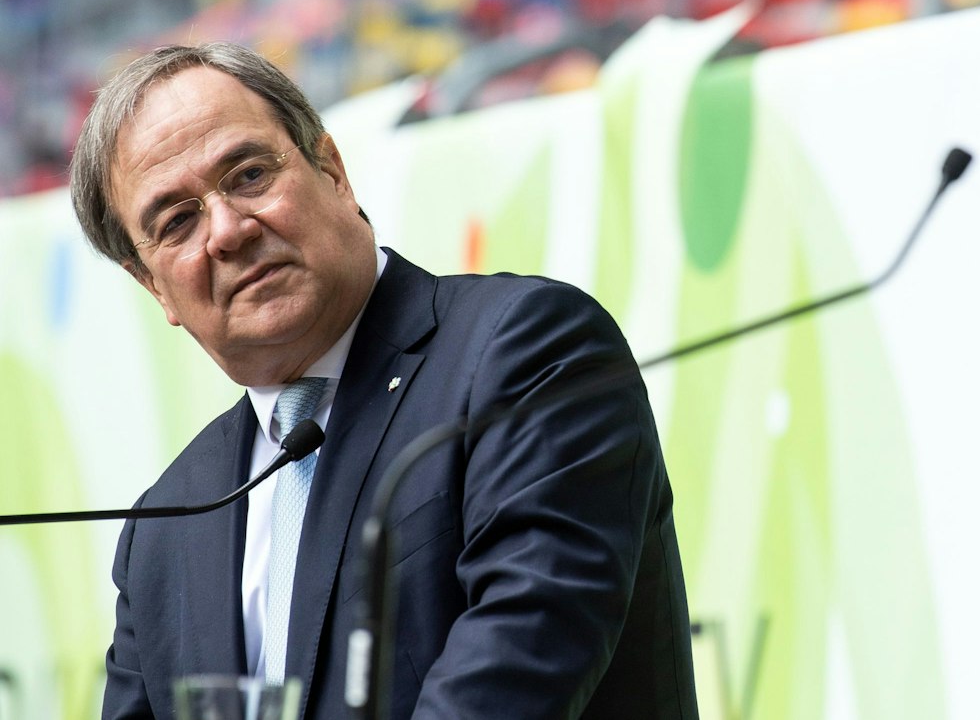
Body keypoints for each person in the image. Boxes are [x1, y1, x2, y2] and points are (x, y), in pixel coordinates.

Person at [71, 43, 698, 719]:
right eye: (178, 221)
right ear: (153, 285)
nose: (226, 229)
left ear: (333, 172)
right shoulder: (165, 526)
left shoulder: (526, 354)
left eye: (249, 174)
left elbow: (511, 687)